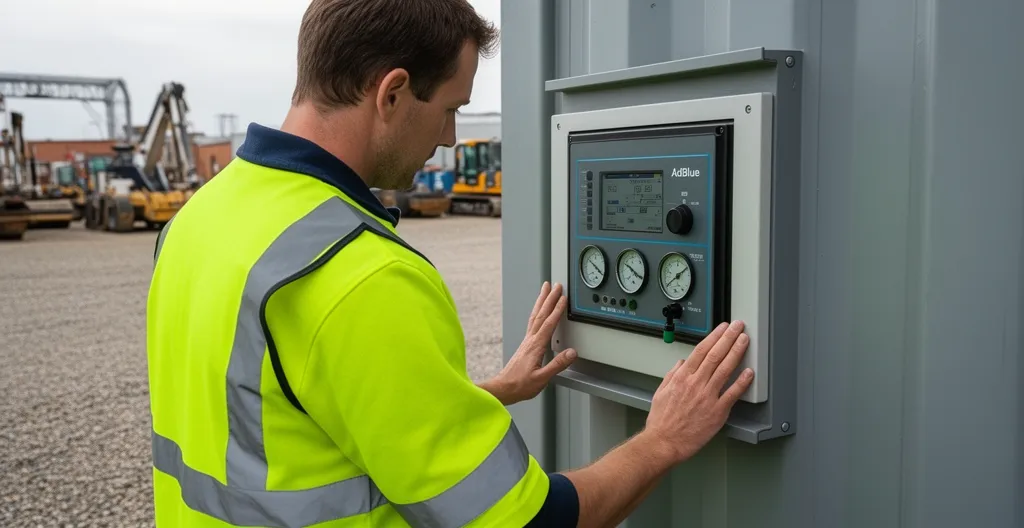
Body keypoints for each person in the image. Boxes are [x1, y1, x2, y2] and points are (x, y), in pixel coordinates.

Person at [145, 0, 755, 526]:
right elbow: (527, 523)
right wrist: (662, 441)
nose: (451, 139)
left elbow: (282, 414)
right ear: (391, 93)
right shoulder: (359, 274)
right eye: (450, 109)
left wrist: (483, 395)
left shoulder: (200, 219)